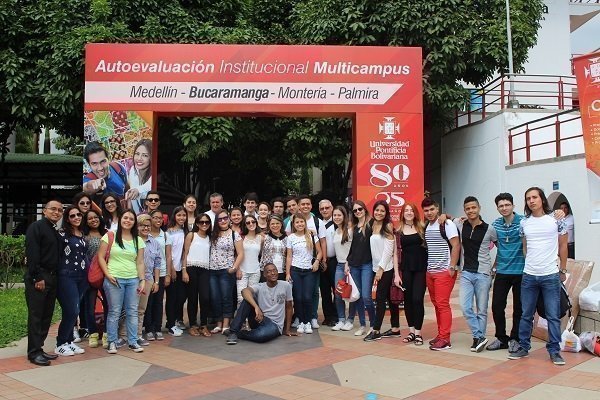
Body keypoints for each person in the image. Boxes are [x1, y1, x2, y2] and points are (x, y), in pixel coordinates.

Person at [509, 187, 568, 366]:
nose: (531, 201)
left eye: (535, 197)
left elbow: (564, 246)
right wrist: (530, 263)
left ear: (542, 199)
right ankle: (524, 347)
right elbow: (525, 246)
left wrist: (563, 270)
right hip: (529, 275)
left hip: (550, 275)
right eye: (528, 198)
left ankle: (554, 351)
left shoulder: (556, 219)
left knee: (552, 315)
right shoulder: (524, 223)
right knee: (526, 314)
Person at [98, 210, 146, 354]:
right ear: (120, 219)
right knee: (114, 311)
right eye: (125, 218)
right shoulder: (110, 236)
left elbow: (140, 262)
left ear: (134, 222)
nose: (128, 221)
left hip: (133, 279)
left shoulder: (138, 240)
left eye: (131, 219)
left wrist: (142, 280)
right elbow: (100, 257)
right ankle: (112, 342)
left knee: (132, 311)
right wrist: (108, 275)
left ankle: (133, 341)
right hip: (114, 279)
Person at [453, 196, 497, 352]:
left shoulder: (489, 229)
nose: (471, 210)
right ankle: (480, 336)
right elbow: (448, 219)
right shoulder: (460, 224)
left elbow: (501, 248)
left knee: (482, 310)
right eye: (468, 208)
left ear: (479, 208)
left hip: (483, 274)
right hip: (466, 273)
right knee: (465, 308)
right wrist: (446, 216)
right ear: (464, 210)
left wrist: (494, 268)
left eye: (473, 207)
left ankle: (478, 338)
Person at [25, 200, 63, 366]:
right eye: (53, 209)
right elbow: (32, 254)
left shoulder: (54, 230)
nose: (56, 212)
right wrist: (36, 277)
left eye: (60, 210)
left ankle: (39, 348)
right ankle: (33, 353)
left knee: (46, 316)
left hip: (53, 278)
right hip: (40, 278)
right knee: (36, 316)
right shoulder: (37, 227)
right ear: (44, 211)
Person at [487, 193, 525, 351]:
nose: (504, 208)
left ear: (513, 206)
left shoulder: (523, 222)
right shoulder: (495, 224)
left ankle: (515, 338)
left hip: (521, 271)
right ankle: (501, 338)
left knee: (519, 307)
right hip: (502, 271)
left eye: (507, 205)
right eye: (501, 206)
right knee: (497, 306)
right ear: (497, 208)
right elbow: (494, 244)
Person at [422, 197, 460, 351]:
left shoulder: (446, 224)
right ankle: (441, 334)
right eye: (426, 210)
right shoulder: (427, 225)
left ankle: (445, 339)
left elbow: (456, 245)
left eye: (432, 209)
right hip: (430, 272)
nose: (429, 213)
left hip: (444, 271)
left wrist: (451, 267)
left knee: (442, 304)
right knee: (437, 304)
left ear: (437, 209)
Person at [285, 195, 327, 329]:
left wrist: (318, 261)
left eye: (301, 222)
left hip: (310, 270)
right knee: (298, 297)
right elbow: (289, 256)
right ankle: (301, 321)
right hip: (296, 270)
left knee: (308, 296)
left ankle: (308, 321)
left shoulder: (311, 234)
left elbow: (319, 250)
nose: (299, 224)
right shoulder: (290, 237)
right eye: (297, 223)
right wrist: (287, 273)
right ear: (293, 224)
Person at [226, 263, 295, 344]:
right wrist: (256, 307)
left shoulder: (286, 285)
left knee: (261, 335)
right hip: (259, 318)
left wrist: (287, 329)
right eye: (269, 271)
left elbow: (289, 307)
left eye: (274, 270)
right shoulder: (260, 286)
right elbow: (244, 291)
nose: (273, 273)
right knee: (247, 300)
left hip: (275, 324)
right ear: (265, 275)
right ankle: (233, 331)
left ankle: (239, 334)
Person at [53, 206, 89, 357]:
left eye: (78, 215)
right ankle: (60, 343)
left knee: (74, 310)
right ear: (67, 219)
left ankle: (68, 341)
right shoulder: (62, 234)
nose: (76, 217)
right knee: (71, 310)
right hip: (66, 276)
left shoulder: (82, 234)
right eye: (72, 216)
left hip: (82, 276)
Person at [364, 201, 400, 341]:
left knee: (380, 298)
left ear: (386, 213)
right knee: (389, 299)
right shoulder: (372, 224)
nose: (379, 213)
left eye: (382, 211)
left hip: (386, 268)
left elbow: (389, 250)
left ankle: (377, 330)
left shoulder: (387, 225)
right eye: (377, 210)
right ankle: (395, 327)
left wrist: (381, 268)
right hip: (375, 267)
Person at [395, 203, 427, 346]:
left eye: (411, 210)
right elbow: (395, 254)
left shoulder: (422, 227)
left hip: (421, 268)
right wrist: (396, 274)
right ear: (402, 213)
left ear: (415, 212)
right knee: (407, 300)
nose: (409, 212)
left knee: (417, 299)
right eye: (406, 210)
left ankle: (419, 333)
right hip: (406, 268)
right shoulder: (398, 230)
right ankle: (412, 332)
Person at [210, 209, 244, 334]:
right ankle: (218, 324)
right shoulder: (213, 234)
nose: (223, 221)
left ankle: (226, 324)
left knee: (226, 297)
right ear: (217, 221)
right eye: (220, 219)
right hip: (213, 270)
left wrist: (234, 267)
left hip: (226, 271)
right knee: (215, 298)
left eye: (225, 218)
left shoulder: (235, 234)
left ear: (229, 219)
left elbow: (240, 253)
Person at [344, 200, 375, 336]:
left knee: (366, 297)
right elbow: (352, 247)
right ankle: (362, 325)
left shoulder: (372, 224)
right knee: (357, 297)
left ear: (365, 209)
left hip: (367, 264)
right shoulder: (355, 227)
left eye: (360, 209)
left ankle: (374, 325)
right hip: (354, 265)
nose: (358, 212)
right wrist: (347, 263)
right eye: (355, 210)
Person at [82, 209, 109, 349]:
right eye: (90, 218)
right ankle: (92, 333)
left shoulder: (107, 234)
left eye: (96, 217)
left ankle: (106, 334)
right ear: (86, 221)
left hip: (106, 274)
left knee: (108, 305)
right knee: (90, 306)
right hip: (90, 275)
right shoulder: (83, 236)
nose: (93, 220)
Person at [182, 214, 212, 337]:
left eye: (206, 222)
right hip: (191, 268)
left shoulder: (210, 237)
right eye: (201, 222)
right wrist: (184, 270)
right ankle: (193, 325)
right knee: (192, 298)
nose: (204, 224)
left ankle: (203, 325)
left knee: (205, 298)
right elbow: (185, 253)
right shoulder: (191, 235)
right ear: (197, 223)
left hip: (205, 269)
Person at [144, 209, 172, 341]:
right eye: (155, 218)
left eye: (160, 218)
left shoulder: (165, 236)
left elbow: (168, 256)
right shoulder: (144, 234)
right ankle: (148, 328)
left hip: (160, 273)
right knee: (147, 302)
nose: (158, 220)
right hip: (146, 273)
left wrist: (167, 274)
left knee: (158, 302)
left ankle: (157, 327)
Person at [135, 214, 161, 346]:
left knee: (141, 309)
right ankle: (124, 335)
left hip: (148, 279)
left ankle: (138, 335)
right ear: (137, 226)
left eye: (148, 226)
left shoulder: (154, 242)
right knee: (128, 309)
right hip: (133, 278)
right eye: (142, 225)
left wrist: (156, 282)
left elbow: (157, 263)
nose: (145, 228)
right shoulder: (132, 240)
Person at [331, 206, 354, 331]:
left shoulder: (350, 231)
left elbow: (354, 249)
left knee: (351, 294)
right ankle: (341, 319)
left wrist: (348, 263)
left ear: (344, 216)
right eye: (335, 215)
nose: (337, 217)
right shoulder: (336, 231)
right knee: (338, 293)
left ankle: (350, 320)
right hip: (339, 265)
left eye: (339, 215)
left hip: (349, 265)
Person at [165, 207, 187, 334]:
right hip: (172, 268)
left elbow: (185, 251)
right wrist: (171, 269)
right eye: (179, 215)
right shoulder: (168, 232)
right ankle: (171, 324)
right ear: (174, 216)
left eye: (183, 215)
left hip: (182, 268)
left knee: (182, 297)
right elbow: (169, 253)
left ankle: (173, 320)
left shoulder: (186, 231)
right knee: (171, 298)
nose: (181, 217)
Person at [318, 199, 337, 327]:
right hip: (322, 261)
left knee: (337, 290)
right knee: (324, 291)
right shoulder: (317, 223)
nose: (325, 210)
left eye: (327, 208)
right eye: (322, 209)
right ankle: (327, 316)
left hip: (336, 261)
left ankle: (336, 316)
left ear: (332, 208)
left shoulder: (338, 222)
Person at [237, 215, 264, 305]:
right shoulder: (240, 237)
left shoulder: (261, 238)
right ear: (245, 225)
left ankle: (250, 319)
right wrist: (237, 269)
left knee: (252, 297)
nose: (251, 224)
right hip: (242, 271)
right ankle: (241, 319)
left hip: (255, 271)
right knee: (240, 298)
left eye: (253, 221)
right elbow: (236, 255)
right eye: (248, 222)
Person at [126, 139, 152, 214]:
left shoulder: (155, 174)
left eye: (145, 155)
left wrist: (137, 190)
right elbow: (133, 199)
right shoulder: (132, 171)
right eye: (137, 154)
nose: (139, 158)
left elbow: (148, 186)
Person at [260, 215, 287, 281]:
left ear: (281, 224)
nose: (275, 225)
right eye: (272, 224)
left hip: (282, 271)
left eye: (277, 223)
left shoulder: (287, 238)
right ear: (269, 225)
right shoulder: (264, 237)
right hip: (266, 272)